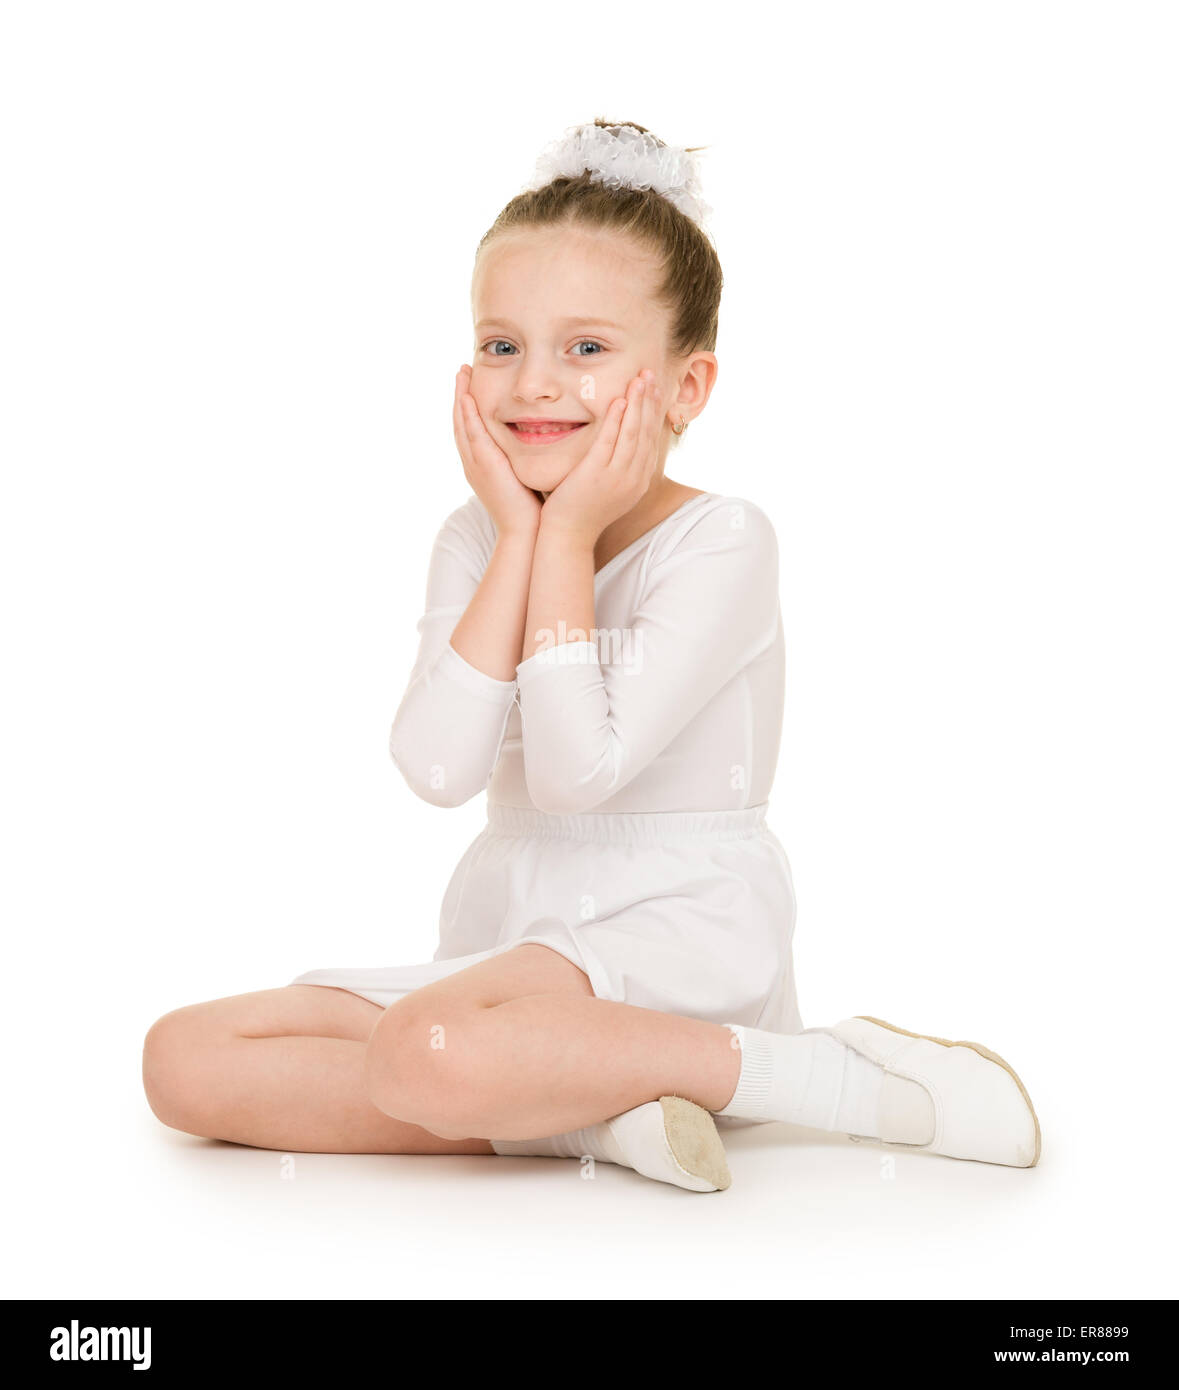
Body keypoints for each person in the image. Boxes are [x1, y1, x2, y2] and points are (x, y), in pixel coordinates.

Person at [142, 119, 1041, 1192]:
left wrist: (563, 535)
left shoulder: (723, 539)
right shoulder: (475, 534)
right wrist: (519, 538)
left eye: (587, 348)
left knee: (423, 1051)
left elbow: (578, 775)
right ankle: (590, 1111)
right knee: (182, 1062)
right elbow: (436, 772)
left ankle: (814, 1075)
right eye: (500, 344)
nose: (533, 384)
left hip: (677, 920)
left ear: (684, 389)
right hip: (517, 932)